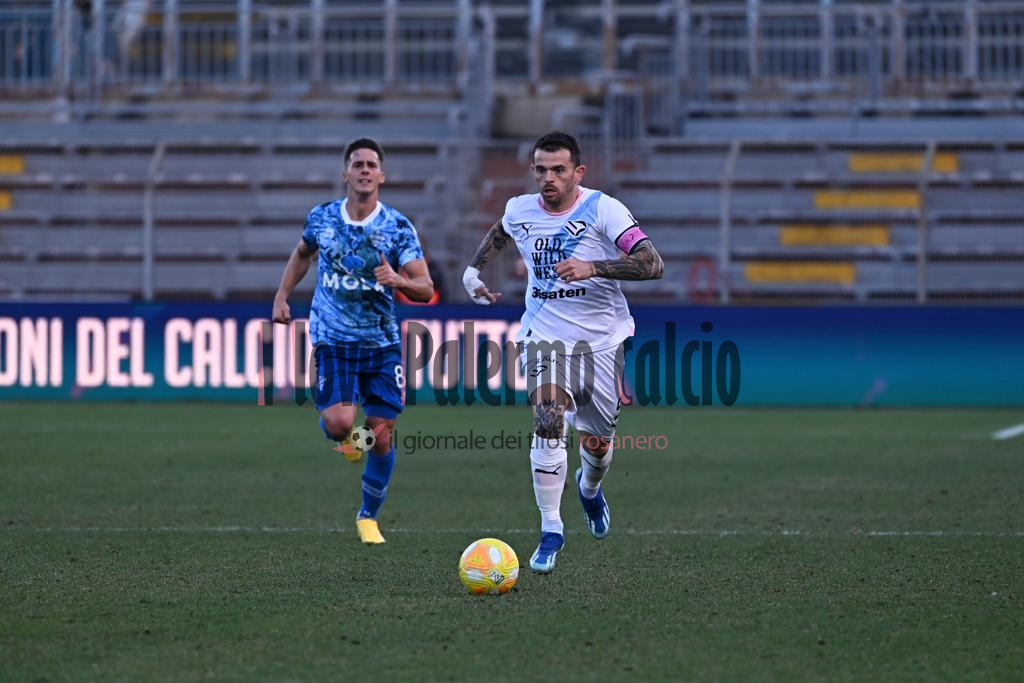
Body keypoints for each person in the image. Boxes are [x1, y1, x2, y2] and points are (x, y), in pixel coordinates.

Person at [462, 131, 664, 572]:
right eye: (540, 169)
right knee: (548, 415)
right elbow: (502, 232)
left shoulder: (602, 209)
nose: (548, 178)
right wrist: (473, 273)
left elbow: (653, 263)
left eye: (558, 170)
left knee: (598, 445)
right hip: (544, 334)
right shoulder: (520, 209)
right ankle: (551, 528)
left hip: (602, 342)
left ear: (578, 172)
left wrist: (594, 266)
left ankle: (589, 489)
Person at [273, 138, 434, 545]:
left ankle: (368, 516)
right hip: (333, 339)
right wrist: (281, 295)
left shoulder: (397, 227)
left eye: (371, 164)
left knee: (381, 434)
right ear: (345, 174)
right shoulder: (322, 218)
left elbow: (425, 286)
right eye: (357, 164)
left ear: (382, 175)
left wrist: (398, 280)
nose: (364, 170)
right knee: (341, 422)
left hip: (380, 344)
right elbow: (302, 253)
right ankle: (343, 438)